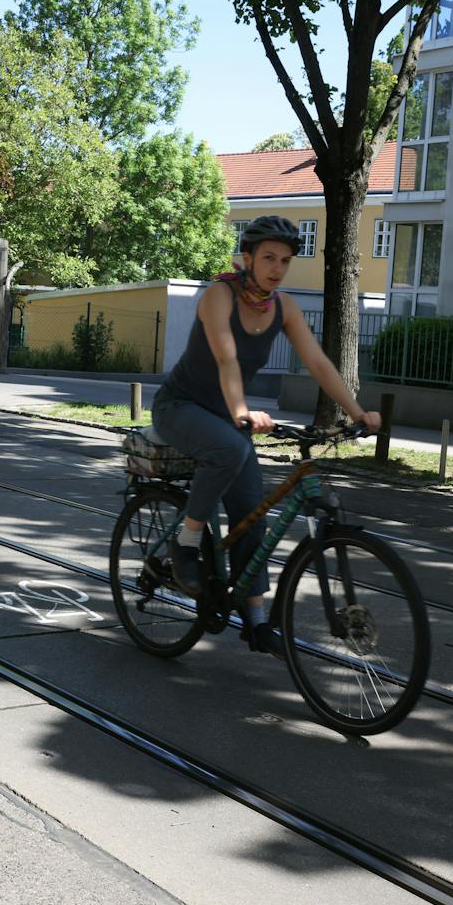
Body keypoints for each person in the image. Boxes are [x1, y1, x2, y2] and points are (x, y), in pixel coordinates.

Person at [150, 215, 382, 650]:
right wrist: (240, 410)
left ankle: (255, 620)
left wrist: (357, 411)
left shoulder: (284, 307)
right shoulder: (218, 296)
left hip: (228, 418)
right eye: (269, 258)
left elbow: (317, 363)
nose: (277, 268)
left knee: (252, 514)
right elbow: (226, 358)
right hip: (181, 407)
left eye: (286, 260)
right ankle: (186, 543)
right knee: (228, 449)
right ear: (247, 259)